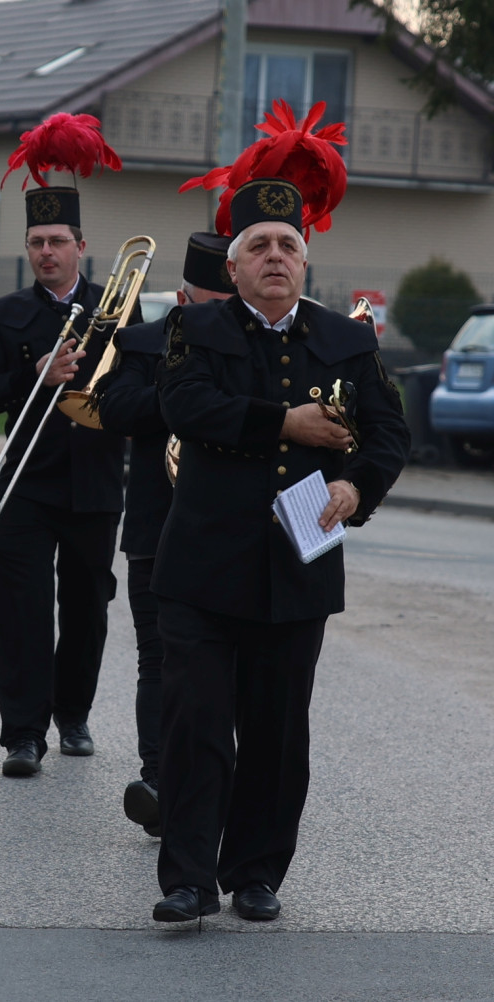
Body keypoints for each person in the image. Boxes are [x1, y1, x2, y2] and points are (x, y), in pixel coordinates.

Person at [150, 177, 410, 924]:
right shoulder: (193, 330)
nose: (273, 257)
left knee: (277, 730)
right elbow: (184, 405)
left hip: (297, 568)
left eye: (286, 247)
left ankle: (257, 871)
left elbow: (390, 434)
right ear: (232, 269)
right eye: (257, 246)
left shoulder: (347, 341)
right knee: (196, 723)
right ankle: (190, 880)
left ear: (305, 262)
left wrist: (357, 488)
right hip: (202, 565)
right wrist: (284, 424)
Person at [0, 183, 128, 777]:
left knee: (88, 608)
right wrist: (33, 374)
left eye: (58, 241)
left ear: (81, 245)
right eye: (36, 243)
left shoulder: (118, 311)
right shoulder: (3, 315)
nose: (47, 252)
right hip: (24, 483)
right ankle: (23, 735)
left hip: (95, 483)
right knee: (22, 612)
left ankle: (73, 713)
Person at [94, 231, 235, 837]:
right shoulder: (143, 341)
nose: (216, 320)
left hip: (231, 532)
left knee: (228, 667)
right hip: (157, 527)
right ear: (182, 297)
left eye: (226, 309)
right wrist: (184, 395)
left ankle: (213, 785)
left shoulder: (253, 349)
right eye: (205, 307)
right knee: (159, 660)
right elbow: (111, 407)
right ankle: (158, 779)